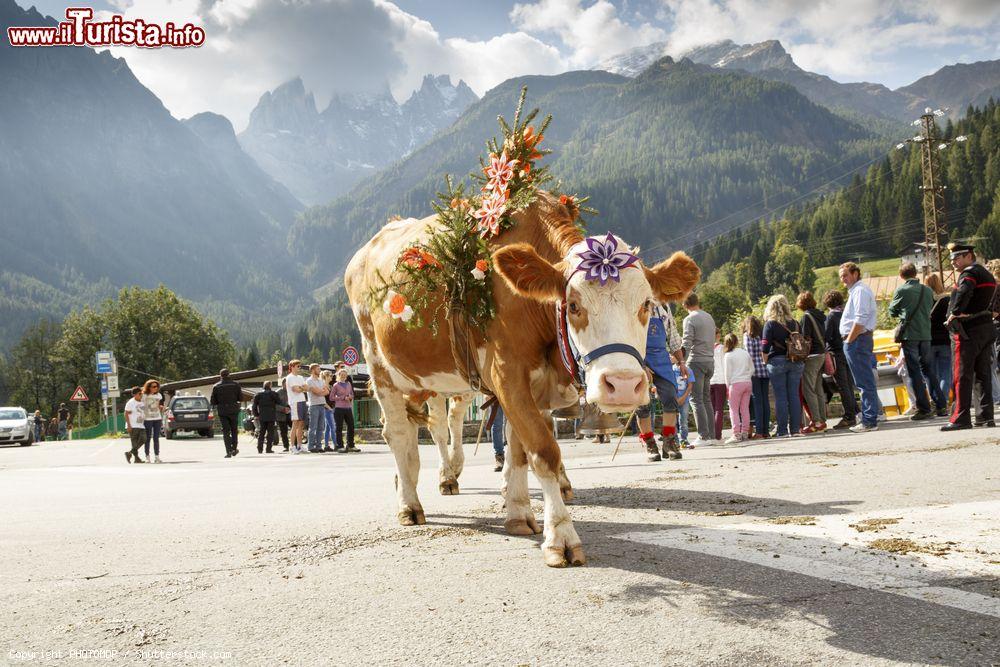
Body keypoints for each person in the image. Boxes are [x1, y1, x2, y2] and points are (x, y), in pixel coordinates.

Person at [941, 244, 997, 431]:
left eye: (957, 258)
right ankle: (985, 416)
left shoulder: (969, 274)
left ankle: (960, 417)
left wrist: (955, 313)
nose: (953, 262)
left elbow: (965, 291)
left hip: (967, 330)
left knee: (961, 374)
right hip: (985, 327)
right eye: (952, 259)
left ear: (969, 256)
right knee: (983, 374)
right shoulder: (986, 274)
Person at [889, 262, 947, 420]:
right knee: (928, 370)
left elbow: (892, 311)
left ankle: (924, 408)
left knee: (914, 372)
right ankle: (941, 405)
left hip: (910, 335)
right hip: (926, 335)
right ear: (915, 273)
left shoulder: (901, 290)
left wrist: (903, 313)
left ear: (901, 276)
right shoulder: (927, 290)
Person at [637, 300, 686, 461]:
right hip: (640, 357)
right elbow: (629, 339)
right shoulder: (633, 305)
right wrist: (641, 365)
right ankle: (650, 444)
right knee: (643, 404)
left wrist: (681, 362)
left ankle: (669, 442)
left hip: (662, 358)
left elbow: (673, 337)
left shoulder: (663, 308)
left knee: (670, 398)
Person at [839, 262, 880, 433]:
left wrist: (849, 340)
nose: (843, 279)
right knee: (863, 381)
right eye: (841, 276)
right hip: (857, 339)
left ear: (855, 273)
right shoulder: (856, 291)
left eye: (846, 275)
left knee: (864, 381)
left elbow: (861, 318)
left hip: (857, 340)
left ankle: (869, 420)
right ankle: (870, 417)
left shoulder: (860, 291)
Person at [762, 294, 805, 438]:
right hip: (796, 361)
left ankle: (782, 430)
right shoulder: (795, 323)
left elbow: (765, 347)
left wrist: (765, 361)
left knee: (780, 397)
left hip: (777, 361)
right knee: (793, 395)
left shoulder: (770, 324)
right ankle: (795, 429)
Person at [682, 292, 717, 445]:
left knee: (696, 399)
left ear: (684, 304)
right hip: (710, 360)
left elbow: (687, 342)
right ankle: (712, 436)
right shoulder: (709, 317)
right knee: (706, 399)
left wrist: (680, 360)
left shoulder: (689, 319)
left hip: (696, 361)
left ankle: (703, 436)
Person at [822, 290, 859, 429]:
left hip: (836, 354)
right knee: (849, 384)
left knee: (843, 386)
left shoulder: (831, 317)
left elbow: (825, 336)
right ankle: (856, 411)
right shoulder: (846, 314)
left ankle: (849, 416)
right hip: (847, 350)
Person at [797, 291, 828, 433]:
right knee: (818, 388)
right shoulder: (821, 315)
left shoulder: (806, 317)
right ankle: (822, 419)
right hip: (822, 353)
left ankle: (816, 421)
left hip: (812, 355)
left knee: (808, 389)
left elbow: (805, 338)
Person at [924, 273, 953, 408]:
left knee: (931, 373)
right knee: (945, 373)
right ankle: (944, 400)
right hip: (945, 341)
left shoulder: (924, 300)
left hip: (929, 341)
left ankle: (935, 400)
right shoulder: (947, 300)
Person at [742, 316, 770, 439]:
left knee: (757, 401)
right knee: (765, 400)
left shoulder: (747, 336)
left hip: (754, 371)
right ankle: (765, 431)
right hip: (765, 369)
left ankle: (759, 431)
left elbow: (749, 355)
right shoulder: (762, 335)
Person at [722, 333, 753, 444]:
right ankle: (745, 432)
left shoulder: (728, 356)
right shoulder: (745, 353)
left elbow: (727, 374)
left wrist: (727, 387)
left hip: (735, 384)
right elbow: (752, 369)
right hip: (747, 382)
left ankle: (736, 434)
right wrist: (747, 377)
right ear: (736, 341)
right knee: (745, 408)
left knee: (733, 410)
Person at [210, 368, 243, 458]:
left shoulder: (216, 386)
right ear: (229, 374)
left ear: (220, 375)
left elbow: (213, 401)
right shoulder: (236, 385)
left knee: (226, 431)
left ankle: (228, 451)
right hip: (233, 410)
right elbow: (241, 398)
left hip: (223, 411)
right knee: (234, 430)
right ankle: (234, 448)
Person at [330, 368, 358, 452]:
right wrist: (342, 397)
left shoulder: (348, 383)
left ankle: (350, 445)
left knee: (351, 426)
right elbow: (331, 397)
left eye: (345, 375)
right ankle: (340, 446)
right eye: (341, 375)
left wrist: (350, 397)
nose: (343, 376)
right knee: (339, 427)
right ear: (338, 376)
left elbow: (352, 394)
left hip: (348, 408)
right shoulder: (336, 385)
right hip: (339, 408)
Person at [284, 360, 308, 454]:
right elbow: (295, 389)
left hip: (302, 401)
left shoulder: (301, 377)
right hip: (295, 402)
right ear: (292, 367)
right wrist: (302, 388)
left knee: (301, 424)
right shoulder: (289, 377)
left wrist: (301, 388)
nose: (299, 368)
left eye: (300, 366)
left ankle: (299, 445)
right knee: (295, 424)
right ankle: (292, 446)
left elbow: (306, 388)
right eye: (298, 366)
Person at [305, 363, 330, 452]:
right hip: (314, 406)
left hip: (321, 405)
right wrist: (320, 391)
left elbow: (327, 391)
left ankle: (319, 446)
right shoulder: (309, 381)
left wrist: (320, 392)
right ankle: (311, 446)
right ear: (312, 370)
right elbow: (316, 392)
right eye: (318, 369)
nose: (319, 370)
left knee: (320, 428)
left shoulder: (320, 380)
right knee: (313, 427)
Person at [251, 380, 281, 453]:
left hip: (262, 416)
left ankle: (260, 448)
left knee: (262, 432)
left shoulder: (258, 394)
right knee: (270, 433)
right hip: (271, 415)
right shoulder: (273, 394)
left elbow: (254, 406)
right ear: (270, 386)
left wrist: (256, 415)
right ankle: (268, 449)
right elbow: (279, 402)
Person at [708, 331, 726, 440]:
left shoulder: (706, 348)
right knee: (719, 409)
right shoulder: (721, 348)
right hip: (721, 380)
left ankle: (711, 433)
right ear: (718, 335)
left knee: (711, 409)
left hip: (710, 380)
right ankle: (717, 434)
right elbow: (725, 365)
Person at [141, 379, 164, 463]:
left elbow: (158, 406)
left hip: (157, 418)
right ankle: (147, 457)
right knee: (147, 438)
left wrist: (161, 408)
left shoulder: (159, 395)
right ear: (149, 387)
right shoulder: (144, 395)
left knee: (156, 438)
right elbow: (140, 406)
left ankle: (157, 456)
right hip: (147, 419)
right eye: (154, 386)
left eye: (157, 386)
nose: (156, 388)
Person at [124, 386, 146, 464]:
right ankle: (137, 459)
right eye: (140, 393)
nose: (141, 395)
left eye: (142, 393)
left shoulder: (142, 401)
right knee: (134, 443)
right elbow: (126, 414)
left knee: (144, 439)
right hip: (133, 425)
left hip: (141, 424)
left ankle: (129, 453)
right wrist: (129, 425)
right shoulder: (130, 402)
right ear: (134, 395)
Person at [673, 362, 694, 447]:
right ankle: (675, 441)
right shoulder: (671, 370)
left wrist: (683, 397)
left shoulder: (688, 370)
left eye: (672, 355)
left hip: (684, 400)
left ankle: (684, 439)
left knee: (684, 421)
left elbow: (690, 386)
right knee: (672, 421)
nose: (670, 356)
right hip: (673, 399)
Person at [320, 370, 337, 452]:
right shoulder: (323, 386)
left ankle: (326, 445)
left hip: (331, 408)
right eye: (330, 376)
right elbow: (322, 399)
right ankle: (336, 444)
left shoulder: (329, 386)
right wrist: (329, 408)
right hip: (327, 409)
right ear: (326, 376)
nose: (331, 377)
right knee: (333, 427)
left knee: (327, 428)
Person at [276, 377, 292, 451]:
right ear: (283, 384)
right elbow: (274, 405)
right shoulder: (277, 393)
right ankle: (286, 446)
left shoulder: (291, 391)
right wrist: (283, 409)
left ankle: (294, 445)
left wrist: (290, 408)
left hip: (291, 414)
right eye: (286, 384)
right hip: (280, 415)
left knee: (294, 429)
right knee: (283, 432)